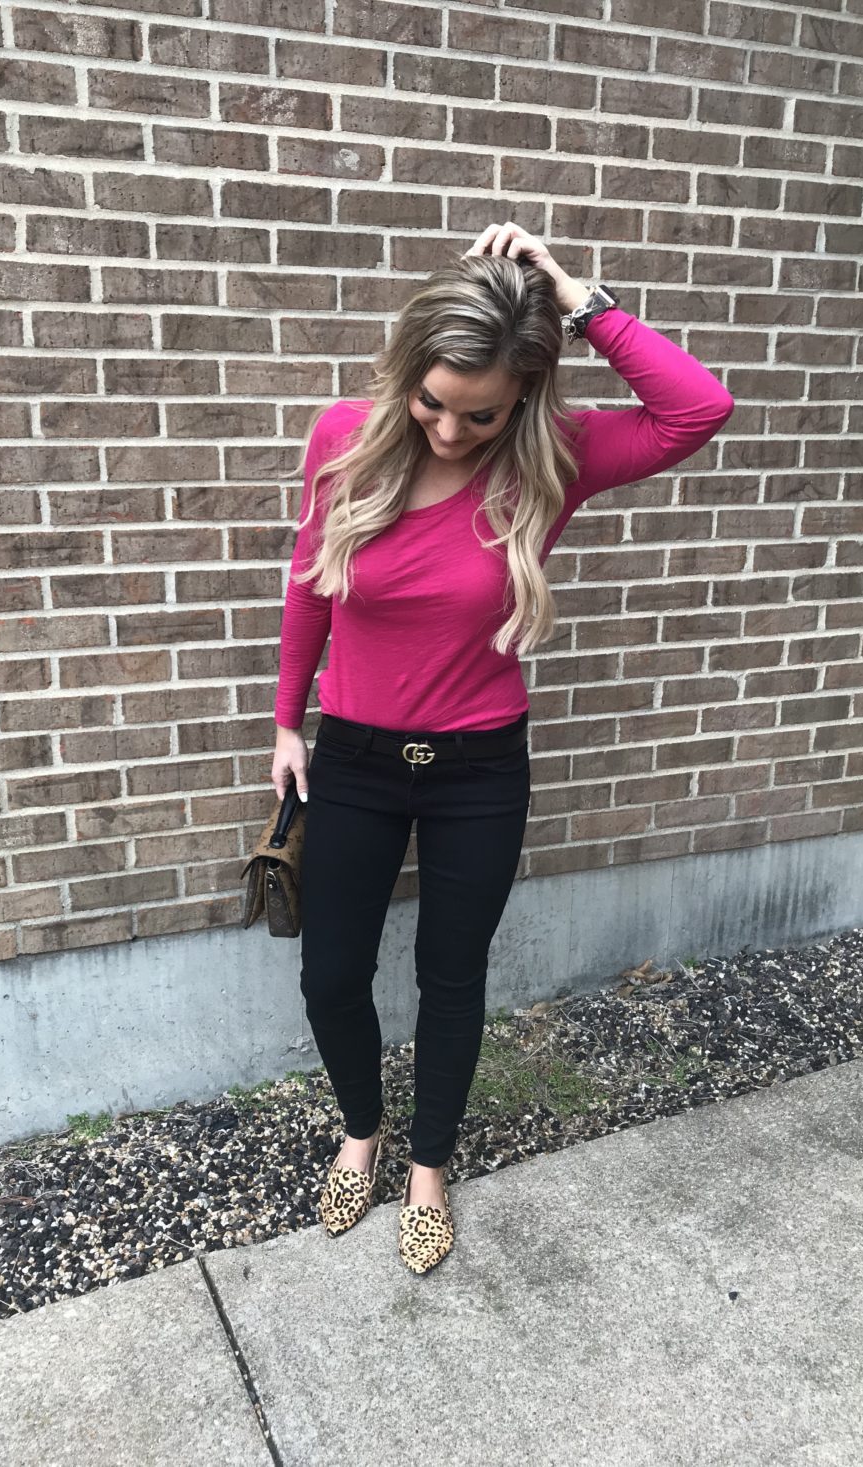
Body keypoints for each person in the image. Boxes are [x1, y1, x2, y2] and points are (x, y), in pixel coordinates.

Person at [270, 220, 735, 1274]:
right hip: (351, 758)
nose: (443, 428)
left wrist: (574, 297)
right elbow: (309, 580)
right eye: (430, 401)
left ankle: (427, 1166)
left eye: (476, 414)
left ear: (521, 396)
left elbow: (697, 407)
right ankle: (362, 1133)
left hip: (478, 769)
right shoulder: (344, 437)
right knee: (329, 974)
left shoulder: (555, 459)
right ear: (404, 376)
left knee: (451, 974)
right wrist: (286, 721)